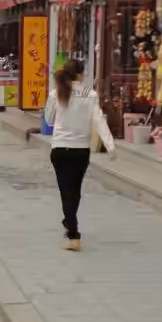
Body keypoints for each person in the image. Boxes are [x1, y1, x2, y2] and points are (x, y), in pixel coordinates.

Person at [42, 58, 116, 252]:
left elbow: (48, 121)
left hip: (60, 150)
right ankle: (71, 226)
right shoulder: (90, 95)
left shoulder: (55, 94)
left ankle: (72, 232)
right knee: (75, 191)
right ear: (81, 74)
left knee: (66, 192)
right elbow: (99, 120)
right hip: (81, 151)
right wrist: (110, 145)